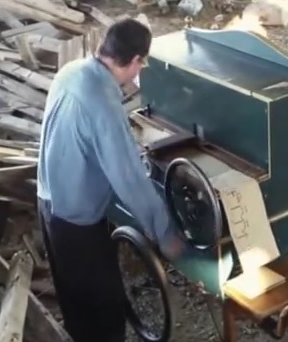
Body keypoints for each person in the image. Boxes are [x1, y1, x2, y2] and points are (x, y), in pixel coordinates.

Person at [37, 18, 184, 342]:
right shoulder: (102, 103)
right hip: (76, 221)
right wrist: (165, 233)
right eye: (140, 64)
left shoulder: (71, 71)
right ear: (135, 61)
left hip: (48, 201)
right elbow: (129, 178)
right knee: (104, 313)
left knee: (74, 300)